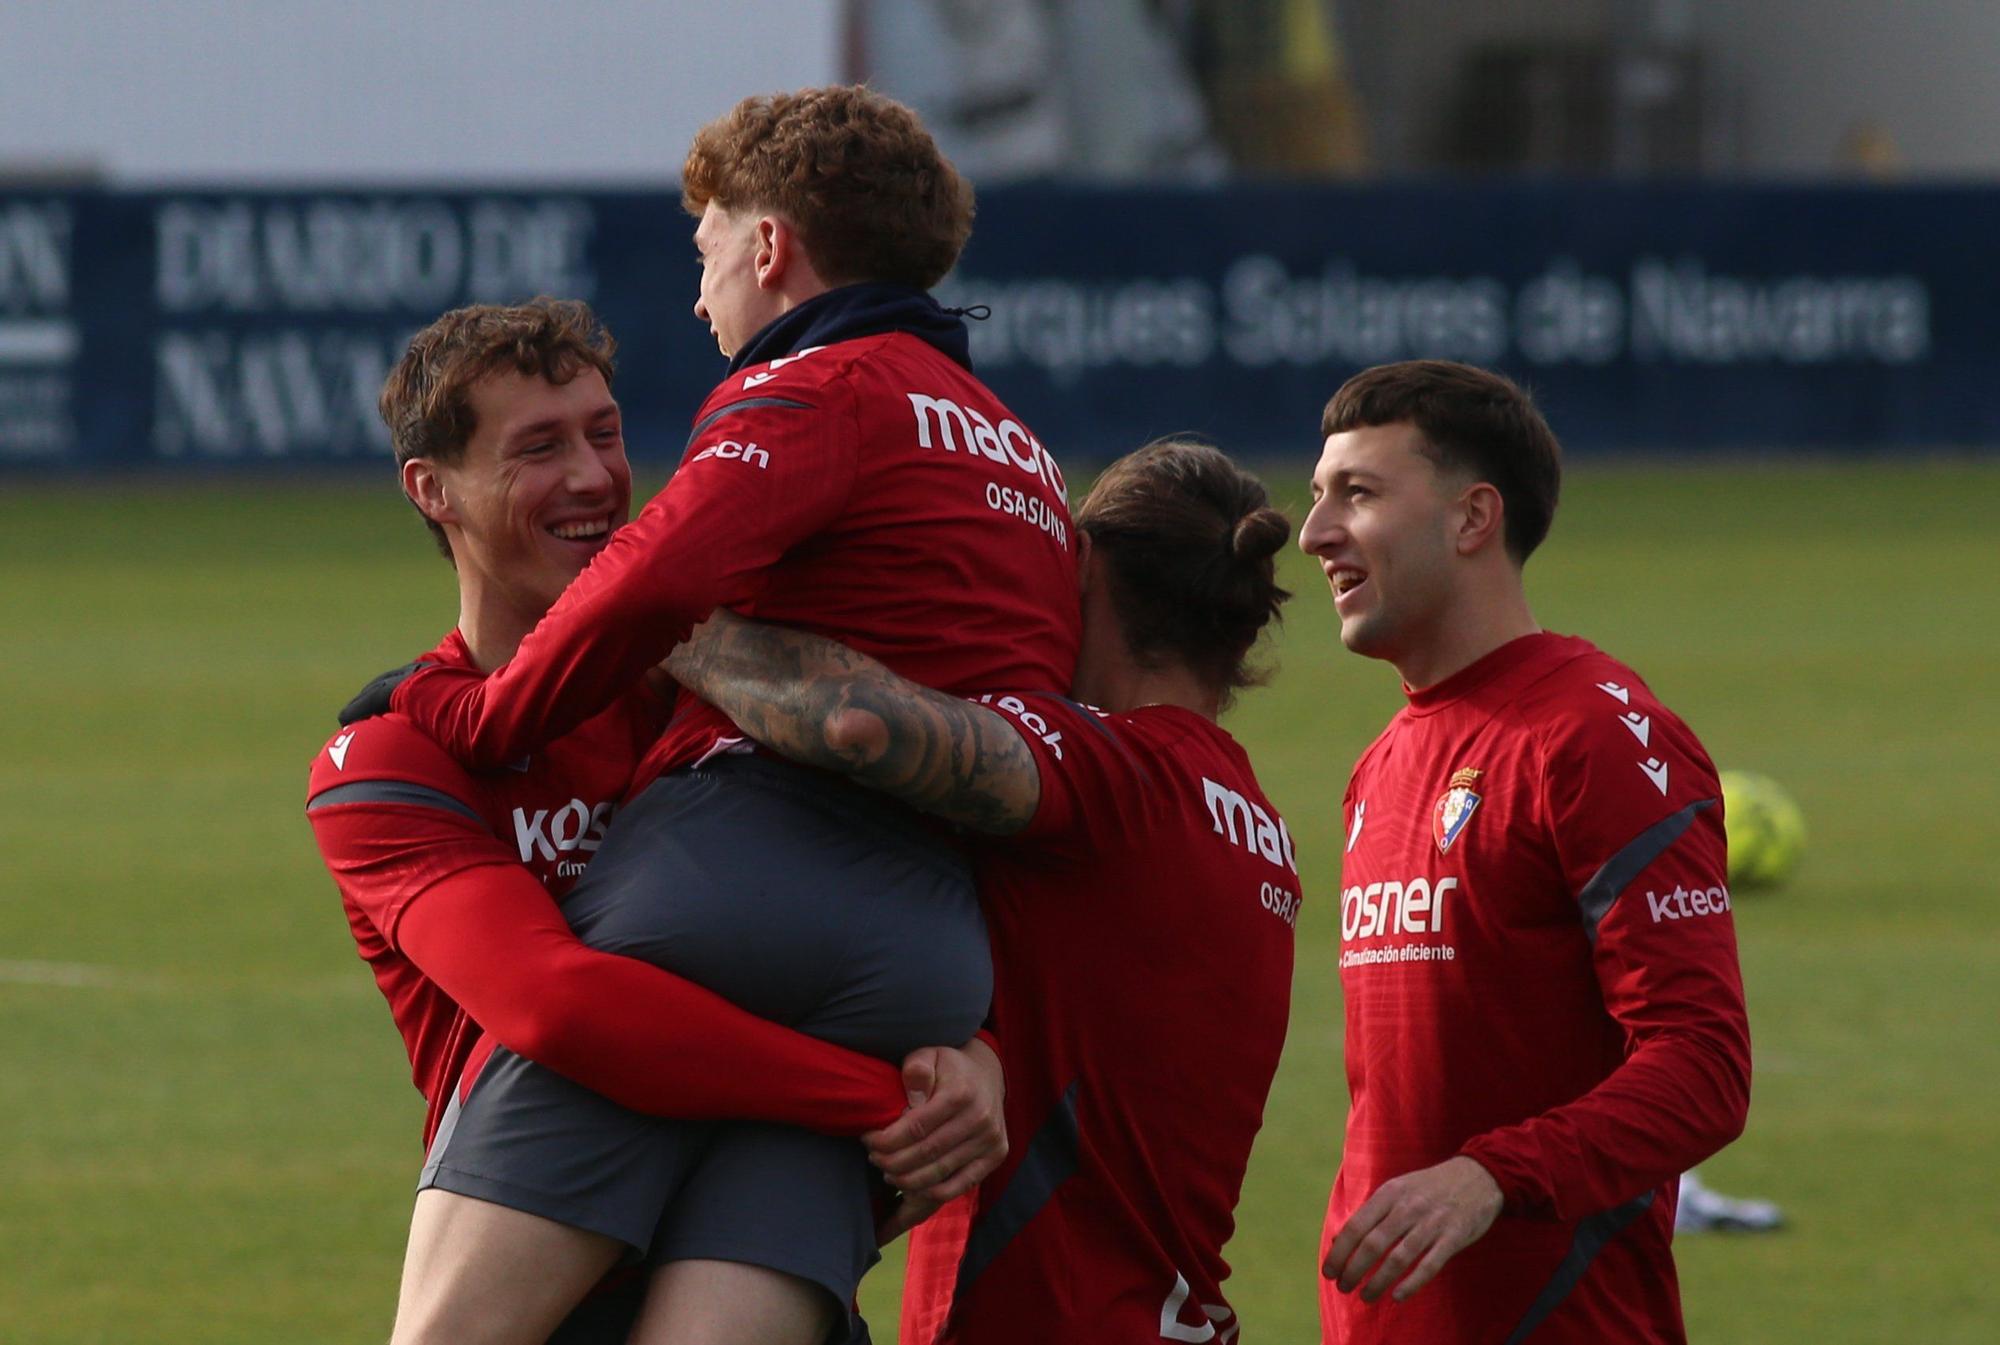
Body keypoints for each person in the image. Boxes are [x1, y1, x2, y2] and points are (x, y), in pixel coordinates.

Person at [360, 87, 1080, 1343]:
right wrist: (941, 1055)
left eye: (705, 251)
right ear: (435, 490)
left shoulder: (809, 385)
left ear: (766, 248)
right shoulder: (1020, 453)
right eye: (542, 448)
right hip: (922, 954)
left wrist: (497, 719)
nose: (700, 301)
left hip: (734, 883)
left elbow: (660, 575)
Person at [661, 436, 1298, 1342]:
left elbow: (862, 725)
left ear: (1077, 565)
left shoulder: (1113, 771)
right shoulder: (1257, 823)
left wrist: (671, 623)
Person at [1297, 361, 1751, 1342]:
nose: (1314, 534)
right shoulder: (1380, 765)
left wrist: (1487, 1178)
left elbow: (1701, 1067)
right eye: (1315, 498)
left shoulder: (1591, 736)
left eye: (1357, 493)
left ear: (1471, 520)